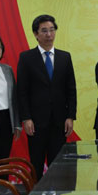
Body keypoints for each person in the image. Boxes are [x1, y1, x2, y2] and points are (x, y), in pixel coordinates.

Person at [17, 15, 77, 180]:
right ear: (36, 34)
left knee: (57, 164)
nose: (49, 34)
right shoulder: (26, 58)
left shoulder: (65, 57)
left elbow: (71, 89)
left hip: (59, 121)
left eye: (52, 30)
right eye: (44, 31)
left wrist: (70, 116)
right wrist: (26, 118)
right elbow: (22, 91)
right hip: (36, 122)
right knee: (35, 164)